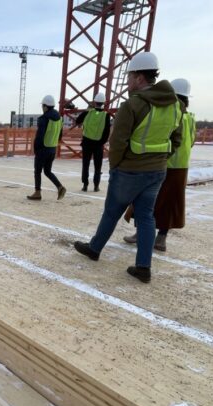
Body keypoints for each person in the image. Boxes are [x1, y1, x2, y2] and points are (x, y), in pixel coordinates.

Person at [73, 52, 183, 283]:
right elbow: (177, 140)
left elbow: (118, 142)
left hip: (129, 171)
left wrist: (116, 167)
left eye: (130, 76)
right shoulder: (175, 106)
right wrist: (160, 159)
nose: (128, 82)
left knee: (112, 211)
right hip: (157, 171)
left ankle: (94, 249)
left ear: (140, 77)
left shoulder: (133, 105)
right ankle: (143, 266)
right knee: (146, 217)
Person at [123, 78, 196, 252]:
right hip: (181, 167)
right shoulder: (190, 118)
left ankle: (140, 233)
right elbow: (191, 140)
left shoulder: (171, 113)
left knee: (145, 200)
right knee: (171, 203)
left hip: (161, 163)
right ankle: (161, 238)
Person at [26, 95, 67, 201]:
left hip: (43, 149)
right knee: (47, 171)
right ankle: (60, 187)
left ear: (45, 106)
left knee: (37, 171)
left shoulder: (44, 118)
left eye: (42, 106)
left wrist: (36, 149)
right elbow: (60, 134)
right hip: (52, 148)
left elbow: (40, 136)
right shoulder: (59, 118)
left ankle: (37, 192)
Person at [74, 92, 111, 191]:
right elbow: (107, 132)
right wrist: (101, 142)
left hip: (86, 143)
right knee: (97, 166)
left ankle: (85, 185)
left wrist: (87, 110)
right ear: (103, 103)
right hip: (98, 144)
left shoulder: (88, 113)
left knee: (85, 164)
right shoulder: (106, 115)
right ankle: (96, 186)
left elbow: (77, 120)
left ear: (95, 102)